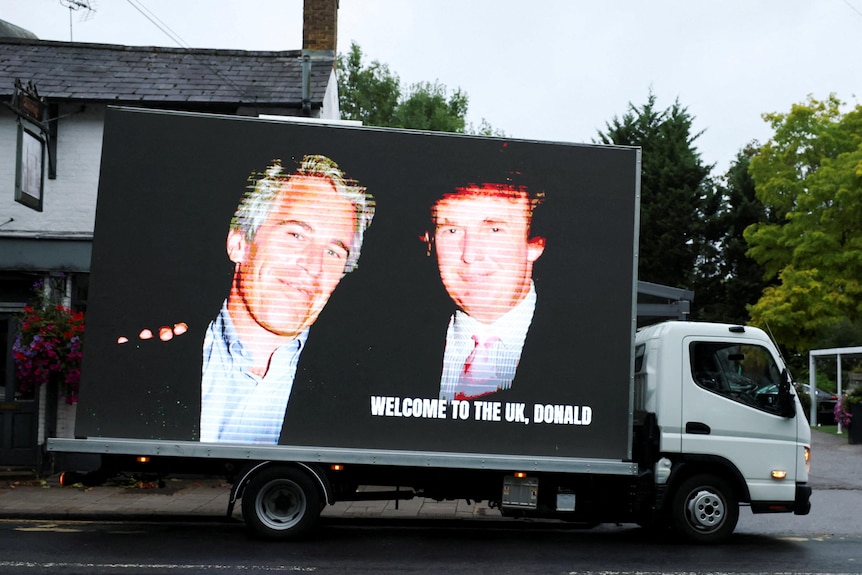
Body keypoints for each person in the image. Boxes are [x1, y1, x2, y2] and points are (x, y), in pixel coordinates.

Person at [199, 155, 375, 444]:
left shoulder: (353, 386)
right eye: (296, 235)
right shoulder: (153, 356)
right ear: (239, 243)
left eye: (333, 252)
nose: (313, 265)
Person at [424, 180, 546, 401]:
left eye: (494, 229)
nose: (469, 255)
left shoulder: (593, 352)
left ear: (535, 244)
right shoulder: (382, 346)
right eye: (452, 231)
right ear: (430, 242)